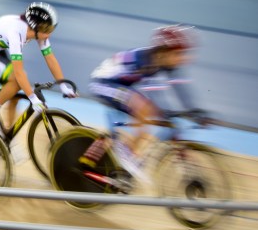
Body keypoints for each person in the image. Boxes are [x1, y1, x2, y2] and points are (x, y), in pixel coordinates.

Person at [86, 24, 206, 180]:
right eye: (178, 53)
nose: (181, 58)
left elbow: (180, 88)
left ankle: (119, 147)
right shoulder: (146, 59)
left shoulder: (166, 62)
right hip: (102, 83)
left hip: (120, 85)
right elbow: (153, 93)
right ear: (164, 51)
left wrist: (194, 111)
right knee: (144, 108)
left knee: (145, 111)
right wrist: (164, 112)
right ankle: (130, 156)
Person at [0, 1, 76, 131]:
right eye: (47, 30)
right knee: (16, 82)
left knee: (14, 94)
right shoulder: (16, 32)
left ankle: (6, 133)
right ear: (35, 27)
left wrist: (63, 86)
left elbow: (50, 58)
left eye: (51, 29)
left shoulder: (37, 32)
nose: (49, 34)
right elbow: (19, 73)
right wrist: (33, 98)